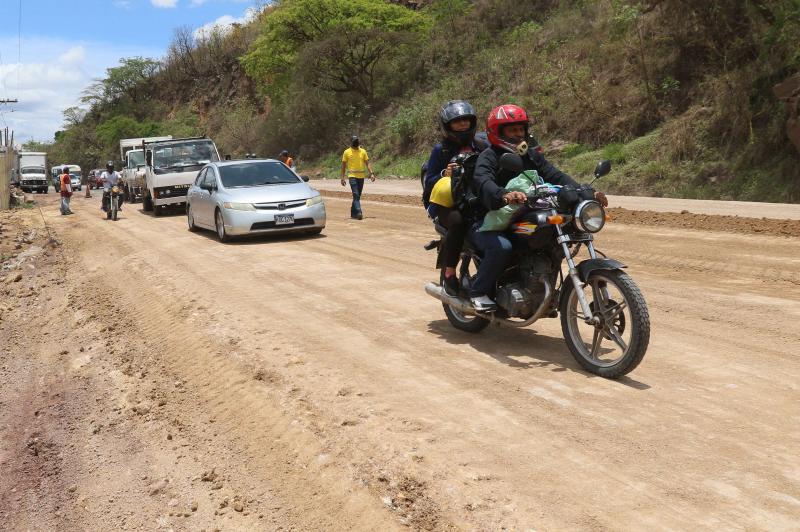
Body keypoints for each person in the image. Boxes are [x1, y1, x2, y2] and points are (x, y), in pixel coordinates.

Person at [468, 104, 608, 312]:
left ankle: (540, 285)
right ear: (498, 132)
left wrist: (585, 191)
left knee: (552, 236)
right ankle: (477, 292)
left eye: (520, 129)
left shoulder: (531, 156)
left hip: (520, 215)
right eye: (511, 130)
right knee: (502, 247)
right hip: (487, 220)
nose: (518, 134)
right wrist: (504, 195)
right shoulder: (489, 156)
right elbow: (483, 181)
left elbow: (556, 176)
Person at [422, 100, 485, 297]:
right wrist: (444, 173)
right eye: (457, 122)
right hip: (448, 202)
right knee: (458, 222)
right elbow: (429, 179)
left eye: (466, 121)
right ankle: (450, 273)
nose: (463, 125)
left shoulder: (481, 144)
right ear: (447, 126)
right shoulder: (441, 150)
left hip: (476, 197)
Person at [340, 135, 376, 220]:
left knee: (357, 196)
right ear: (351, 142)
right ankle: (359, 212)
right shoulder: (346, 152)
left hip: (361, 177)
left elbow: (367, 163)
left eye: (357, 140)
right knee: (356, 195)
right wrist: (342, 178)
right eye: (355, 141)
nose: (356, 142)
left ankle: (353, 213)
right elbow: (343, 166)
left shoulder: (363, 151)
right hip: (352, 177)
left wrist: (371, 173)